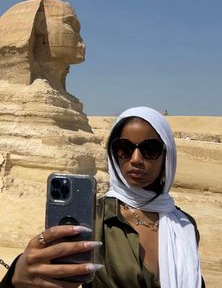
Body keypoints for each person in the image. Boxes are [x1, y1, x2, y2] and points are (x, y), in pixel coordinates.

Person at [1, 106, 205, 288]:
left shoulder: (184, 225)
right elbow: (49, 273)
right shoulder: (93, 218)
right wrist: (18, 276)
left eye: (149, 149)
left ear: (167, 156)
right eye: (123, 149)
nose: (135, 159)